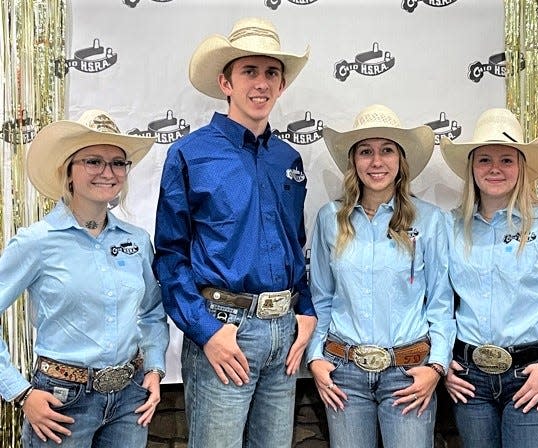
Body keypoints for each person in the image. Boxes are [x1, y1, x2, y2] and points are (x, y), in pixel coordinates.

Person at [153, 17, 317, 448]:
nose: (261, 84)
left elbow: (294, 244)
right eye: (249, 71)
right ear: (225, 81)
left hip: (283, 331)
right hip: (225, 329)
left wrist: (307, 309)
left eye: (271, 73)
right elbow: (170, 257)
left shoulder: (289, 159)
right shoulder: (190, 154)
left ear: (281, 86)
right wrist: (206, 332)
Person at [0, 109, 169, 447]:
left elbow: (152, 311)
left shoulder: (136, 241)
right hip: (61, 403)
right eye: (93, 161)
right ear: (69, 172)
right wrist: (20, 392)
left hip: (130, 399)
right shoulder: (37, 242)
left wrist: (153, 366)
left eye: (117, 163)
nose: (108, 172)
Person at [440, 108, 538, 448]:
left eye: (506, 160)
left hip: (534, 375)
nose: (494, 168)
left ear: (522, 167)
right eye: (484, 159)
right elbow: (441, 302)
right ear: (471, 168)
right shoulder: (450, 227)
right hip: (470, 381)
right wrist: (443, 362)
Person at [306, 104, 456, 448]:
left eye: (387, 150)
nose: (377, 162)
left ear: (401, 161)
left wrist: (436, 367)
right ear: (354, 161)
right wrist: (315, 357)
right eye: (366, 152)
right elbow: (322, 298)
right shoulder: (330, 219)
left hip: (408, 373)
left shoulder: (431, 221)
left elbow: (440, 304)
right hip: (343, 373)